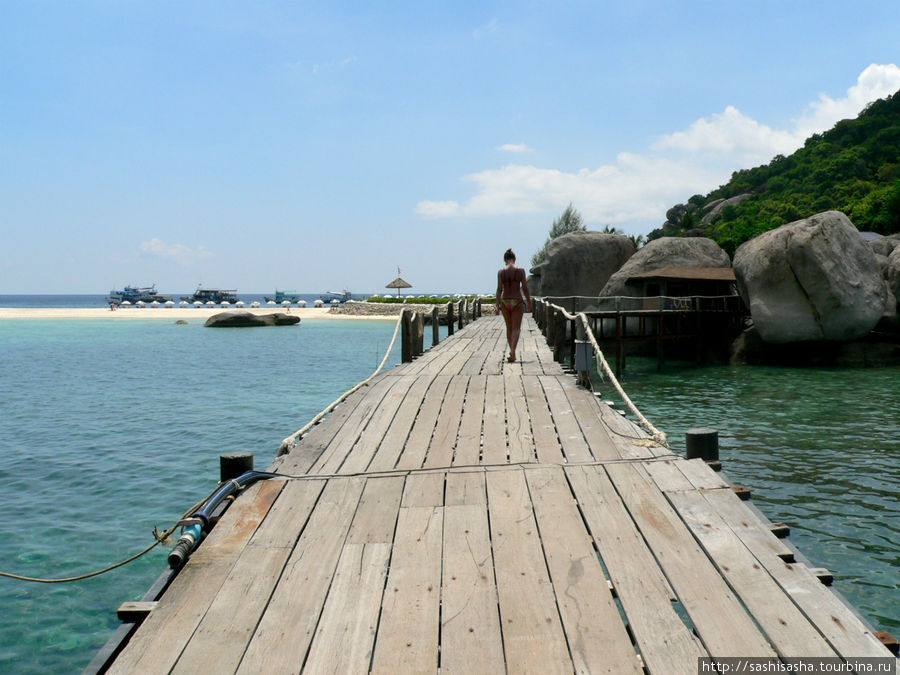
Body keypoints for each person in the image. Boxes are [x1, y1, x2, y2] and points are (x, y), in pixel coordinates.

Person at [496, 248, 531, 362]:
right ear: (515, 259)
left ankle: (512, 351)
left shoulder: (501, 272)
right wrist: (529, 302)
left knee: (509, 328)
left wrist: (497, 305)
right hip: (517, 301)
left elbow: (499, 289)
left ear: (505, 260)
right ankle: (513, 351)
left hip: (505, 301)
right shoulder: (520, 270)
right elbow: (524, 288)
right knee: (516, 328)